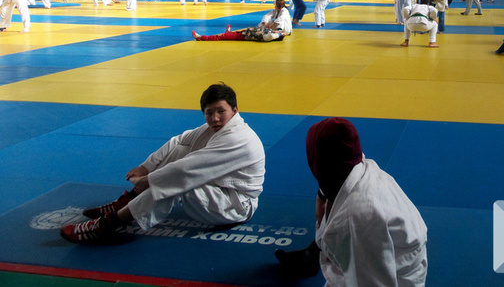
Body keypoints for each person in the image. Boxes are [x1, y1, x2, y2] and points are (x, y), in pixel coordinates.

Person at [59, 83, 266, 244]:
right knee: (181, 150)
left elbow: (185, 170)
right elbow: (178, 141)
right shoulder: (214, 129)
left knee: (179, 181)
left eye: (221, 111)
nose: (215, 118)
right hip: (220, 188)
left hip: (237, 205)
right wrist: (146, 167)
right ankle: (130, 200)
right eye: (209, 113)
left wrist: (148, 180)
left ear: (235, 110)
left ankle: (110, 223)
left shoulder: (237, 137)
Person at [275, 118, 428, 285]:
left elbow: (374, 283)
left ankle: (311, 257)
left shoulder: (357, 217)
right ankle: (310, 256)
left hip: (398, 275)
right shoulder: (361, 167)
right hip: (397, 251)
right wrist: (322, 195)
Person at [193, 0, 292, 42]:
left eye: (275, 5)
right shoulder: (276, 12)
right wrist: (266, 23)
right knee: (239, 32)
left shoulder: (284, 12)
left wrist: (278, 31)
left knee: (223, 37)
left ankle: (201, 37)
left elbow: (280, 20)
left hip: (281, 29)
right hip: (250, 32)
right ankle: (228, 33)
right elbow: (268, 15)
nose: (274, 6)